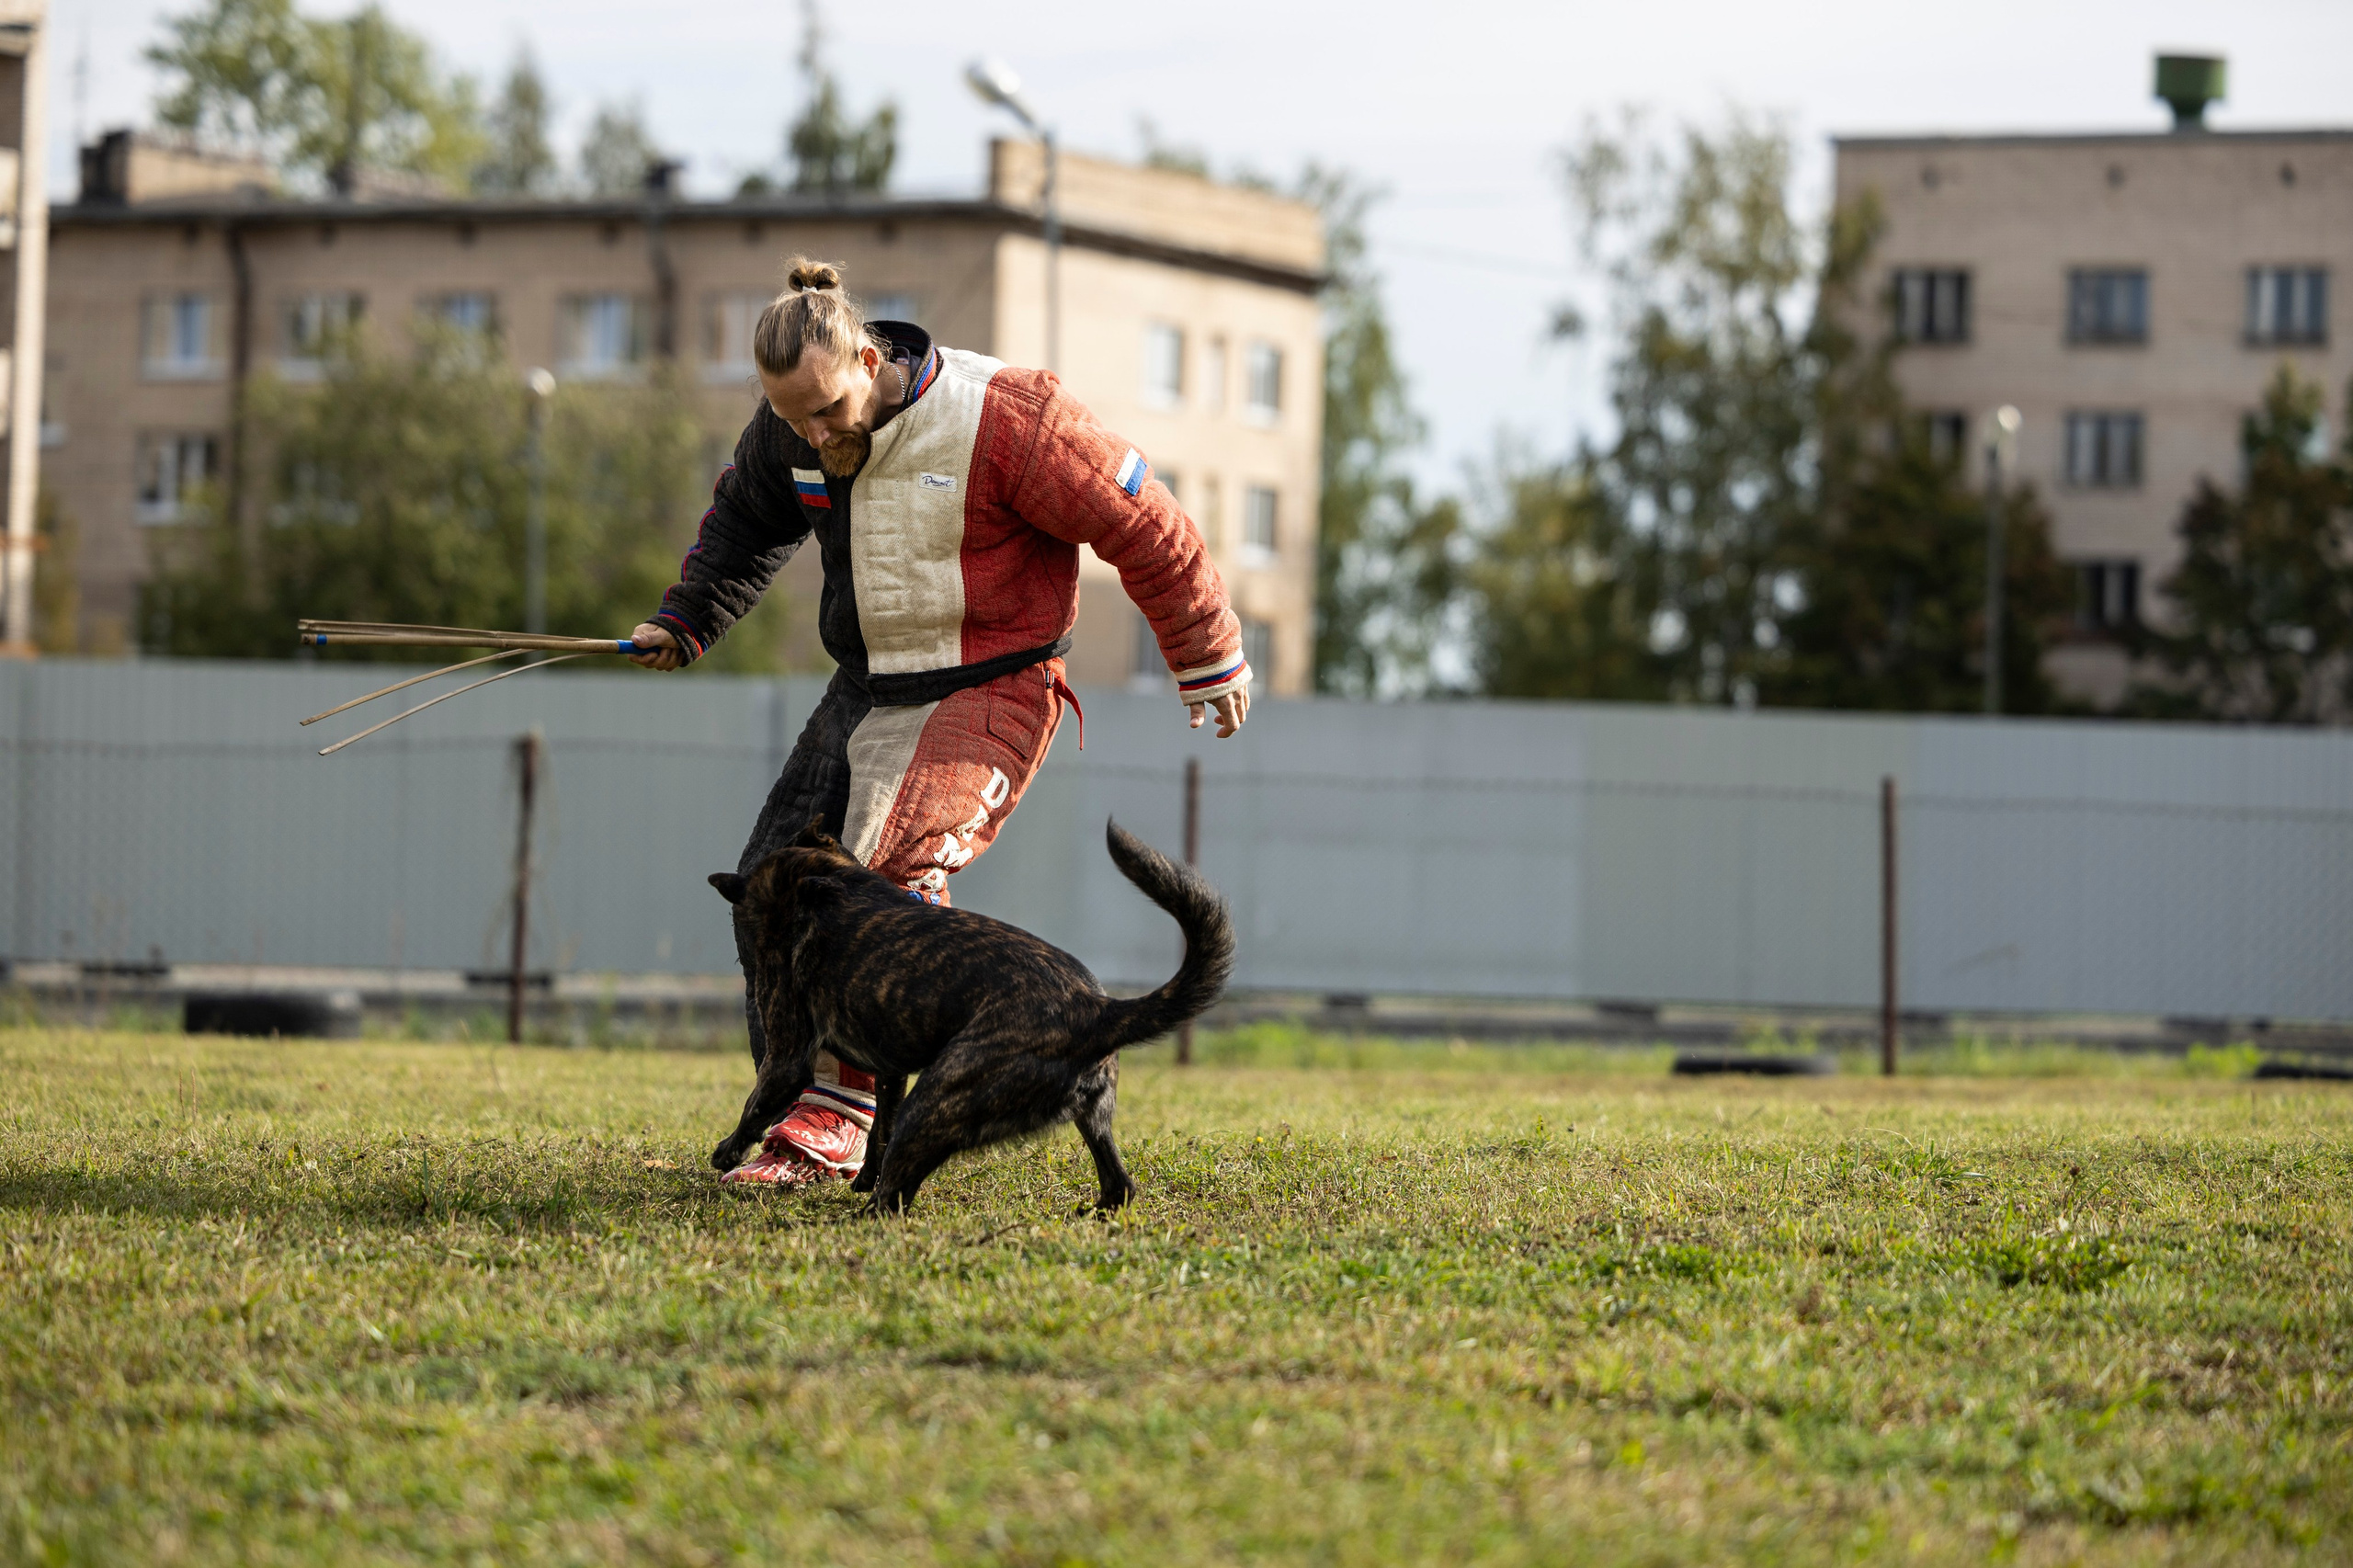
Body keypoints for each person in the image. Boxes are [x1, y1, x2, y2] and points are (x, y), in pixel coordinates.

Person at [628, 256, 1252, 1187]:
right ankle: (806, 1099)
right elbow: (742, 527)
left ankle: (834, 1126)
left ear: (870, 360)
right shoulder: (793, 429)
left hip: (991, 684)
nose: (812, 433)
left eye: (828, 411)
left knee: (876, 869)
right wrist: (684, 621)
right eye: (791, 416)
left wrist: (1204, 652)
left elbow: (1141, 518)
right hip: (867, 684)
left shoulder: (1009, 416)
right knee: (773, 891)